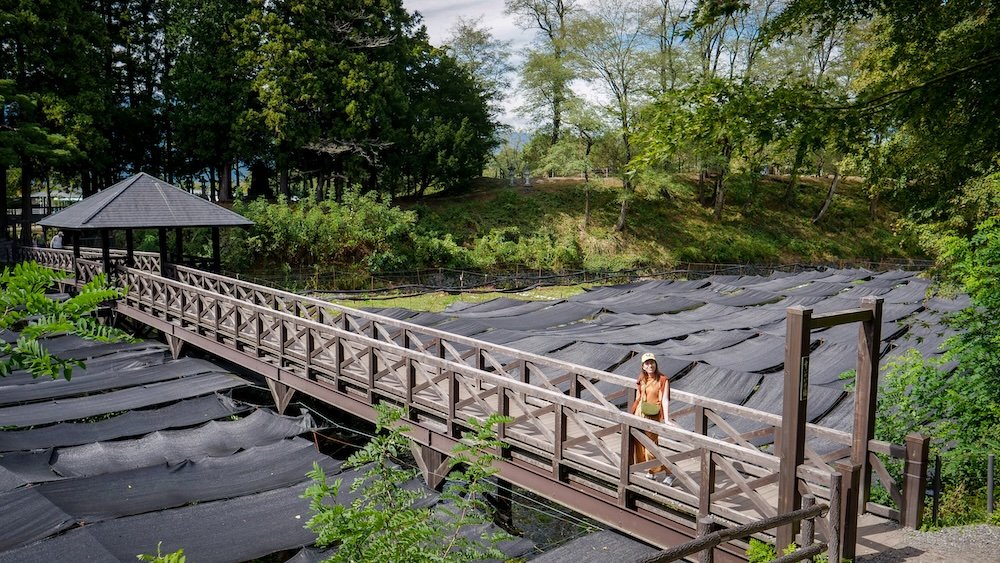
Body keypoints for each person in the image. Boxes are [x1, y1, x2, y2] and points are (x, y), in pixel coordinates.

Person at [631, 352, 675, 485]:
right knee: (641, 447)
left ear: (656, 364)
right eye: (647, 363)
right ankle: (651, 472)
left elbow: (665, 400)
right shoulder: (642, 379)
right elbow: (638, 397)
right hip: (639, 415)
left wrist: (666, 419)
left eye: (652, 362)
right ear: (643, 366)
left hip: (652, 417)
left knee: (651, 448)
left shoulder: (662, 380)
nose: (650, 365)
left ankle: (670, 472)